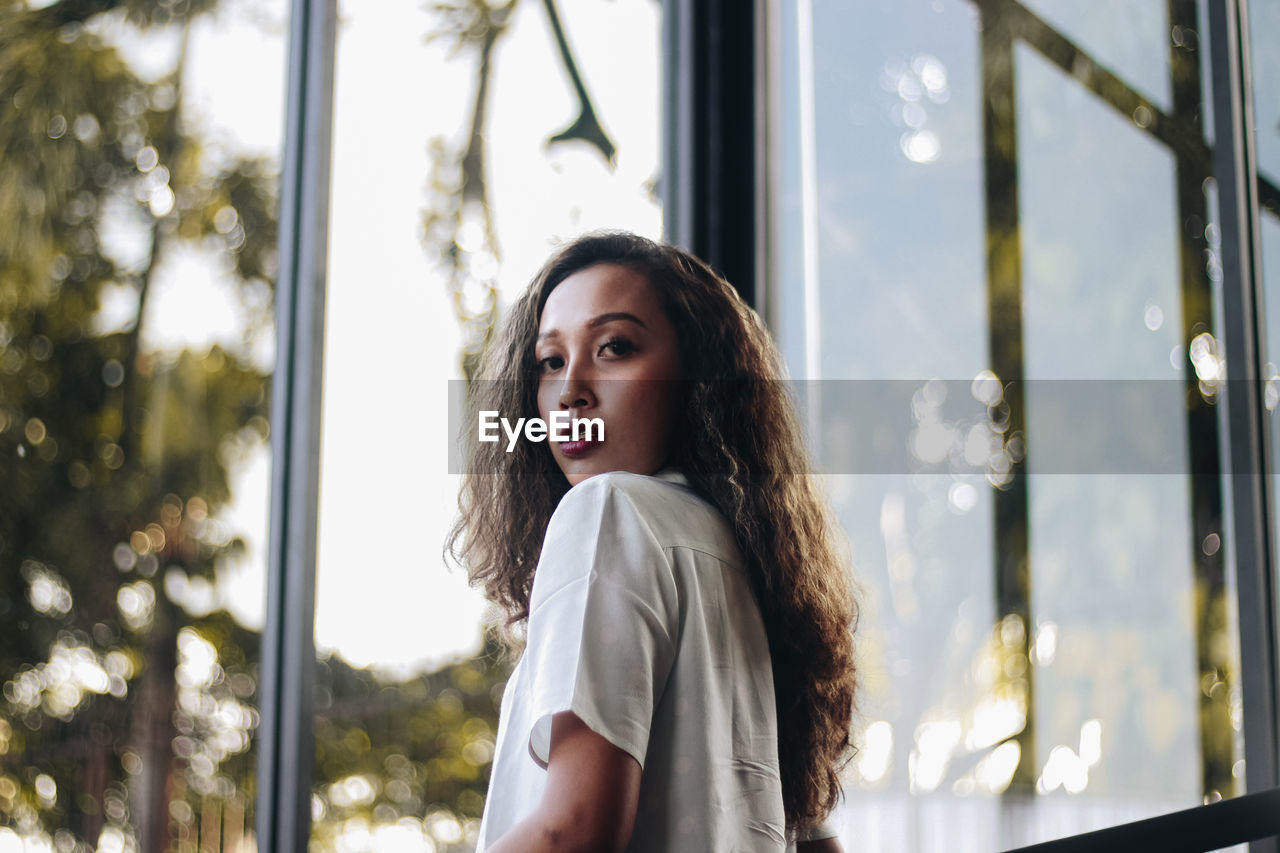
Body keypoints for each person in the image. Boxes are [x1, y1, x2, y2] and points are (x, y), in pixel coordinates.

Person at [449, 232, 857, 852]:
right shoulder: (756, 576)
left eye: (614, 347)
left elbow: (572, 831)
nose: (570, 392)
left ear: (698, 378)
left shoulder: (607, 510)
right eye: (550, 362)